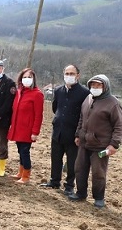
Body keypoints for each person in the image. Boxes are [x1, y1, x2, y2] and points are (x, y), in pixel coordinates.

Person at [68, 74, 122, 209]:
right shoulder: (88, 99)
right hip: (84, 143)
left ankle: (99, 198)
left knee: (98, 173)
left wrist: (114, 144)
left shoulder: (113, 103)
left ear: (105, 86)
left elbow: (119, 125)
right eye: (93, 85)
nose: (95, 87)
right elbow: (82, 118)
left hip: (101, 145)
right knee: (79, 169)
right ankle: (81, 193)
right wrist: (77, 134)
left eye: (99, 85)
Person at [39, 65, 90, 195]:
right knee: (56, 157)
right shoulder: (58, 90)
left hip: (74, 133)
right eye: (67, 73)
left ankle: (69, 185)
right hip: (58, 130)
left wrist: (79, 132)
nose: (69, 76)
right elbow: (55, 108)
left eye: (72, 73)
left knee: (72, 160)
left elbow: (85, 114)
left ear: (78, 75)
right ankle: (54, 181)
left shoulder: (84, 93)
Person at [7, 68, 44, 184]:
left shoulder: (37, 94)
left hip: (27, 129)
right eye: (24, 77)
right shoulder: (19, 92)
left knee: (24, 151)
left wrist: (35, 132)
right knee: (20, 150)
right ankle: (20, 172)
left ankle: (26, 175)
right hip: (18, 127)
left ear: (33, 79)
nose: (26, 79)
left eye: (29, 77)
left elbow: (38, 115)